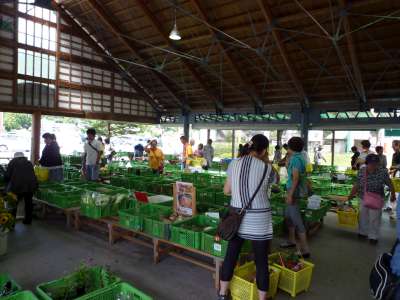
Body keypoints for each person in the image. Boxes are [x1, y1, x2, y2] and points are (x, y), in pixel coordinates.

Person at [219, 134, 275, 300]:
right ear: (264, 150)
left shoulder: (233, 163)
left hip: (236, 217)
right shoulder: (268, 168)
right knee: (261, 261)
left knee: (231, 255)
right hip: (259, 219)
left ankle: (222, 294)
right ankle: (262, 298)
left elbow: (226, 191)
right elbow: (273, 183)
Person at [348, 154, 396, 244]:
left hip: (377, 198)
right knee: (362, 215)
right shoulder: (362, 171)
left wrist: (393, 194)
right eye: (371, 163)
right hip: (363, 197)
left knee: (375, 218)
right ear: (367, 163)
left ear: (378, 163)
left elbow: (389, 183)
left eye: (375, 163)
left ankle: (373, 236)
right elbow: (357, 184)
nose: (373, 165)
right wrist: (351, 195)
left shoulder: (383, 172)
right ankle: (362, 232)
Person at [280, 137, 310, 257]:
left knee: (296, 219)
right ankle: (292, 240)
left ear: (289, 147)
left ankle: (305, 249)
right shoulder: (298, 157)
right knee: (288, 217)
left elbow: (296, 179)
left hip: (293, 191)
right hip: (292, 189)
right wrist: (287, 164)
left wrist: (290, 195)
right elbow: (292, 174)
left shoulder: (296, 159)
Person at [4, 152, 38, 225]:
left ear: (15, 157)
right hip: (30, 186)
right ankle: (28, 221)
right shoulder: (29, 162)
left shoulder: (12, 162)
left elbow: (7, 176)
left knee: (13, 204)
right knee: (28, 203)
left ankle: (11, 223)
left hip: (18, 186)